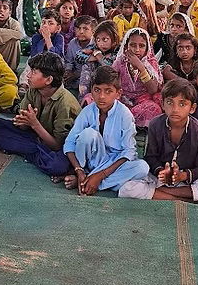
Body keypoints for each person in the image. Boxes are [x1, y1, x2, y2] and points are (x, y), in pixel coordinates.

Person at [119, 78, 198, 204]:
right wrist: (161, 171)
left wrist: (182, 175)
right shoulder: (155, 124)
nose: (175, 109)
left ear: (192, 108)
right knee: (127, 189)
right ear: (163, 104)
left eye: (182, 104)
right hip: (160, 179)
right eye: (170, 102)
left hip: (187, 182)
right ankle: (188, 201)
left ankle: (162, 193)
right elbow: (150, 157)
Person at [0, 52, 80, 177]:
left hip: (58, 145)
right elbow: (23, 126)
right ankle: (36, 153)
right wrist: (24, 121)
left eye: (34, 72)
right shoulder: (33, 90)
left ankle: (30, 152)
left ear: (49, 80)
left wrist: (34, 124)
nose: (28, 75)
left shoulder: (65, 103)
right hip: (37, 137)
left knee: (57, 165)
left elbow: (57, 145)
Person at [62, 66, 149, 195]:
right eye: (97, 90)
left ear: (118, 94)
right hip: (92, 161)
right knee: (87, 135)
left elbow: (129, 152)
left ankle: (88, 182)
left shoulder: (124, 114)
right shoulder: (87, 111)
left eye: (108, 91)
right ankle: (87, 178)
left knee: (142, 167)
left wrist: (100, 175)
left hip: (114, 164)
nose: (102, 96)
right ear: (91, 91)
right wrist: (78, 170)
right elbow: (69, 143)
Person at [112, 27, 163, 127]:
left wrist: (141, 67)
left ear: (147, 48)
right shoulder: (120, 62)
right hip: (122, 100)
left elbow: (153, 90)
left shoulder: (150, 63)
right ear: (126, 46)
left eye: (142, 46)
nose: (137, 50)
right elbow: (111, 81)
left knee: (154, 109)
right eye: (133, 45)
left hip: (143, 101)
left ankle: (126, 121)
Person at [77, 20, 119, 99]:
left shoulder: (118, 50)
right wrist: (93, 58)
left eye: (105, 39)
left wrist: (97, 55)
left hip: (110, 82)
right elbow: (78, 56)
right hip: (94, 80)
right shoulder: (95, 47)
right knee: (87, 65)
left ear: (114, 39)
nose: (101, 43)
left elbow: (109, 65)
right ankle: (84, 96)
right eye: (98, 40)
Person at [0, 0, 24, 72]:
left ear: (10, 12)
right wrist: (6, 35)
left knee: (14, 41)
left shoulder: (14, 23)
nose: (1, 10)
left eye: (5, 8)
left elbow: (19, 35)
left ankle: (9, 71)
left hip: (7, 58)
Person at [64, 15, 95, 94]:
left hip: (91, 81)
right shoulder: (72, 43)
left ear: (93, 31)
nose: (81, 32)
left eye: (85, 29)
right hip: (74, 81)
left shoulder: (97, 44)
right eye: (78, 28)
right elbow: (69, 61)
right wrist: (68, 71)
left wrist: (76, 75)